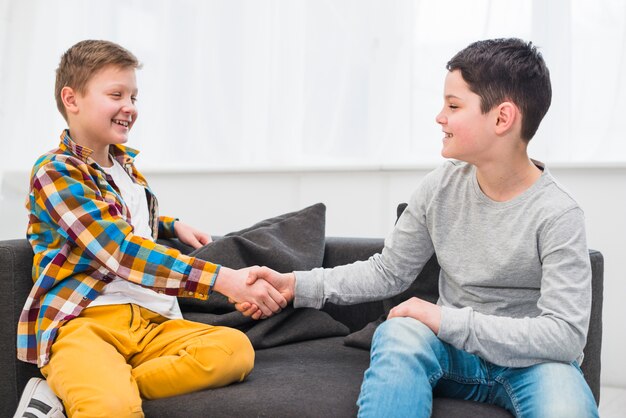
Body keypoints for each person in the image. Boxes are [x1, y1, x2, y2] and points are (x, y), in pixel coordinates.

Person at [238, 38, 599, 417]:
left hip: (536, 366)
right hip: (453, 356)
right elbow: (387, 272)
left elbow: (564, 334)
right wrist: (295, 284)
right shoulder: (440, 187)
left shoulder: (558, 213)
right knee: (400, 332)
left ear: (502, 118)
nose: (439, 117)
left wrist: (444, 319)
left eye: (454, 105)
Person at [14, 39, 287, 418]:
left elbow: (121, 216)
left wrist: (170, 223)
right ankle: (91, 390)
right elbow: (119, 249)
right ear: (72, 100)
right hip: (87, 321)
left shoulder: (125, 168)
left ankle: (80, 392)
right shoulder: (55, 171)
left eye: (134, 97)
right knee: (111, 409)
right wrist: (224, 280)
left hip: (150, 322)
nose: (129, 107)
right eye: (116, 94)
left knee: (234, 351)